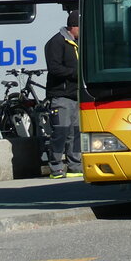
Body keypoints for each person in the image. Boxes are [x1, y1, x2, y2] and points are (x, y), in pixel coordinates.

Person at [45, 9, 82, 178]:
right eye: (80, 27)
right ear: (73, 27)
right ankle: (56, 167)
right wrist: (75, 73)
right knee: (60, 131)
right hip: (61, 95)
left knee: (75, 132)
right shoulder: (56, 42)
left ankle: (75, 165)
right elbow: (54, 68)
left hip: (76, 95)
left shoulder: (77, 42)